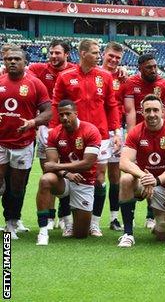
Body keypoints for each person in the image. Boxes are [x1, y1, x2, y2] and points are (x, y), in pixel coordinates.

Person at [51, 39, 121, 237]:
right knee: (70, 176)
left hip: (100, 135)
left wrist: (116, 132)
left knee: (99, 178)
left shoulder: (105, 76)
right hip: (71, 136)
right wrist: (54, 132)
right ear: (83, 54)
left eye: (99, 52)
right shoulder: (65, 77)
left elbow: (111, 105)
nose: (99, 56)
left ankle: (95, 223)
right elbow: (57, 105)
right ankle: (68, 222)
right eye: (95, 52)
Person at [117, 95, 165, 247]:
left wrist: (156, 180)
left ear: (162, 111)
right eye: (148, 110)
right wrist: (144, 177)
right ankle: (128, 233)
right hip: (145, 182)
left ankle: (160, 220)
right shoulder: (136, 132)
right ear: (142, 112)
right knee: (126, 179)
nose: (152, 114)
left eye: (155, 110)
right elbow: (124, 162)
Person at [25, 39, 77, 230]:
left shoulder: (74, 71)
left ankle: (65, 215)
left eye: (57, 53)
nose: (53, 56)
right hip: (46, 129)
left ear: (66, 54)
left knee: (68, 170)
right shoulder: (38, 69)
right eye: (51, 53)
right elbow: (16, 71)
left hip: (68, 129)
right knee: (50, 171)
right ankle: (49, 216)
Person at [0, 48, 51, 239]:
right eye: (8, 59)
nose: (12, 62)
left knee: (17, 186)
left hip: (23, 143)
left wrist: (33, 122)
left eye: (16, 59)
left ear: (24, 62)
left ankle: (11, 222)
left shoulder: (35, 84)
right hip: (1, 142)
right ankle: (9, 220)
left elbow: (48, 111)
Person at [35, 100, 101, 245]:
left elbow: (87, 164)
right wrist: (67, 174)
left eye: (68, 114)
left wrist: (59, 167)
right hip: (65, 179)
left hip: (84, 181)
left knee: (80, 234)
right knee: (46, 180)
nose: (64, 118)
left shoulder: (91, 130)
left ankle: (80, 220)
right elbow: (49, 166)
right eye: (61, 115)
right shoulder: (54, 134)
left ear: (76, 114)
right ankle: (43, 231)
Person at [122, 53, 165, 230]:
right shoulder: (131, 83)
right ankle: (130, 218)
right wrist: (133, 135)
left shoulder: (164, 84)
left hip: (158, 136)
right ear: (140, 67)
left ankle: (151, 215)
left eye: (155, 66)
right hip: (139, 135)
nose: (153, 70)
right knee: (132, 175)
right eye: (149, 67)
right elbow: (130, 111)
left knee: (156, 170)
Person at [100, 41, 126, 231]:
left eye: (118, 58)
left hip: (116, 130)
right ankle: (91, 218)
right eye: (111, 56)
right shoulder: (95, 75)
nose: (114, 60)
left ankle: (114, 218)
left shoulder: (123, 78)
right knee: (95, 175)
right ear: (103, 54)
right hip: (96, 130)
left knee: (115, 176)